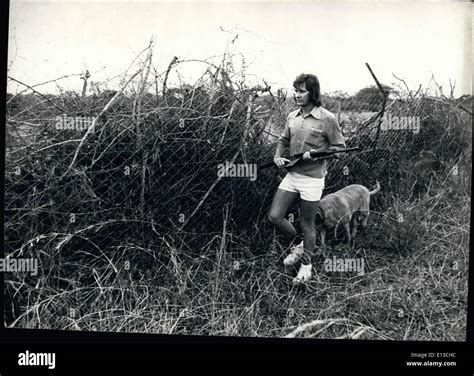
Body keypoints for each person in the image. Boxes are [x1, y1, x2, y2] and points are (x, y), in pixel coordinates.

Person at [268, 73, 346, 284]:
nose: (297, 95)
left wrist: (318, 154)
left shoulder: (327, 118)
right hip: (292, 175)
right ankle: (299, 245)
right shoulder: (293, 116)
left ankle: (306, 265)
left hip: (312, 179)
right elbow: (283, 140)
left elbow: (339, 149)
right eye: (296, 90)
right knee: (275, 216)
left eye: (302, 91)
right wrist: (277, 156)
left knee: (307, 223)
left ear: (313, 93)